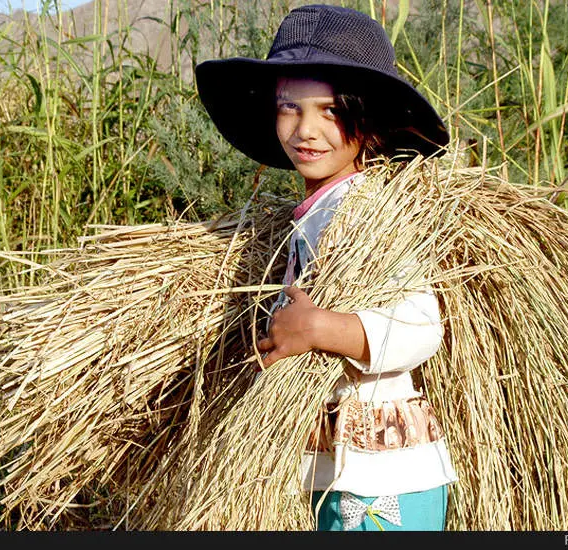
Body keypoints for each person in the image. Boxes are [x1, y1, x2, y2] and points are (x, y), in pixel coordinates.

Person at [195, 4, 458, 531]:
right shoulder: (321, 209)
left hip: (381, 486)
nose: (305, 130)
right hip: (344, 474)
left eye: (329, 110)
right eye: (289, 108)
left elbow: (423, 324)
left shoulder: (366, 211)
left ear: (368, 118)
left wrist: (319, 329)